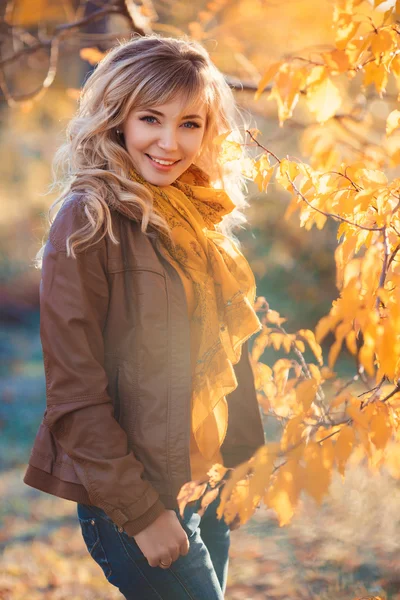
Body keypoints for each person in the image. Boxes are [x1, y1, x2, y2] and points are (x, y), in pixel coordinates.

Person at [23, 34, 266, 599]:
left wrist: (240, 467)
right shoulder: (88, 219)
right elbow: (75, 393)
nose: (169, 142)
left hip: (203, 484)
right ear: (116, 119)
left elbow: (229, 352)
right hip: (137, 497)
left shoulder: (198, 217)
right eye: (150, 118)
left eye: (190, 123)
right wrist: (140, 514)